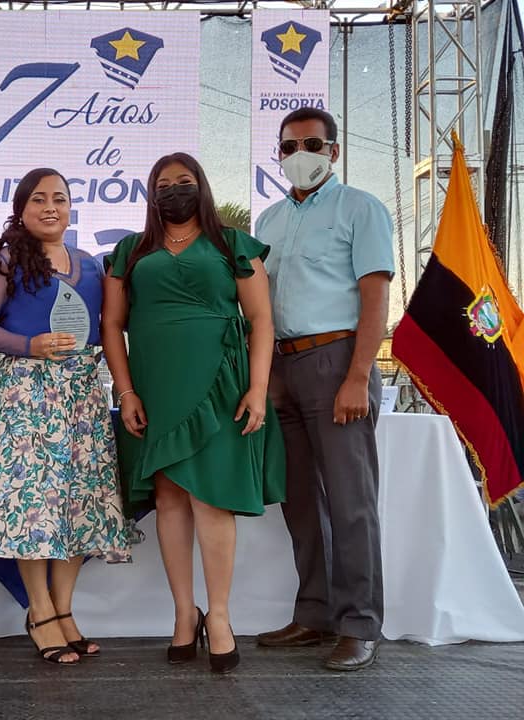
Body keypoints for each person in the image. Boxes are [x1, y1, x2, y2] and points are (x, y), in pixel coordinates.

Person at [0, 168, 131, 665]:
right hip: (26, 394)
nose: (50, 207)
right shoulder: (6, 261)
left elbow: (109, 327)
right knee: (34, 506)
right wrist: (29, 345)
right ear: (21, 210)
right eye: (39, 199)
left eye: (59, 199)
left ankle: (64, 611)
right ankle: (40, 612)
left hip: (82, 395)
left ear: (71, 208)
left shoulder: (91, 265)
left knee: (79, 503)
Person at [102, 152, 285, 673]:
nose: (174, 190)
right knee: (169, 497)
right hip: (156, 385)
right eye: (163, 184)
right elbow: (112, 325)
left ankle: (220, 615)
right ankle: (185, 612)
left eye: (183, 181)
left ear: (201, 186)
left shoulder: (232, 244)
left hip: (221, 384)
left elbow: (261, 320)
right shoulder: (130, 251)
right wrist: (126, 392)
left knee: (211, 498)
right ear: (151, 194)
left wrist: (257, 389)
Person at [254, 108, 393, 671]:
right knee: (300, 501)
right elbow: (260, 307)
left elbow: (375, 298)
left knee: (350, 501)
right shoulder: (267, 221)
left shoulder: (360, 208)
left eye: (312, 144)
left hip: (338, 361)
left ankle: (360, 624)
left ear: (334, 151)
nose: (299, 155)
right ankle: (314, 613)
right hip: (283, 366)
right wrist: (266, 376)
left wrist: (358, 376)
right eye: (289, 147)